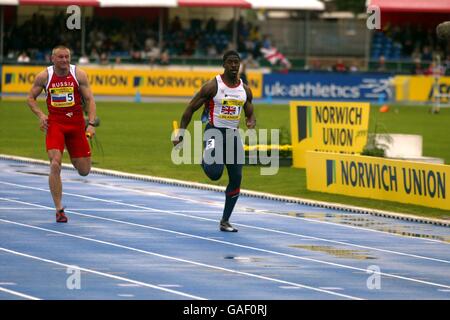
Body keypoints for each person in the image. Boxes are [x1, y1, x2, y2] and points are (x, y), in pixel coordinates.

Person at [173, 50, 256, 232]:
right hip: (214, 132)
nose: (234, 65)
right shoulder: (212, 86)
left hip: (233, 135)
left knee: (237, 178)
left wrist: (250, 120)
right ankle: (204, 158)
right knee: (214, 173)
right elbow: (190, 108)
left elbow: (249, 110)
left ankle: (225, 221)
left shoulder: (245, 90)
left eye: (237, 62)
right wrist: (180, 132)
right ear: (224, 65)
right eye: (230, 62)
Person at [27, 45, 97, 223]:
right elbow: (30, 98)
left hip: (76, 125)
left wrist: (91, 123)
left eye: (67, 57)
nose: (65, 60)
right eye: (61, 57)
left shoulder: (79, 74)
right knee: (55, 165)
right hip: (56, 125)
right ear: (53, 59)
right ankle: (59, 209)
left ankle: (70, 149)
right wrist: (41, 115)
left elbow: (89, 99)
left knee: (84, 171)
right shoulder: (44, 76)